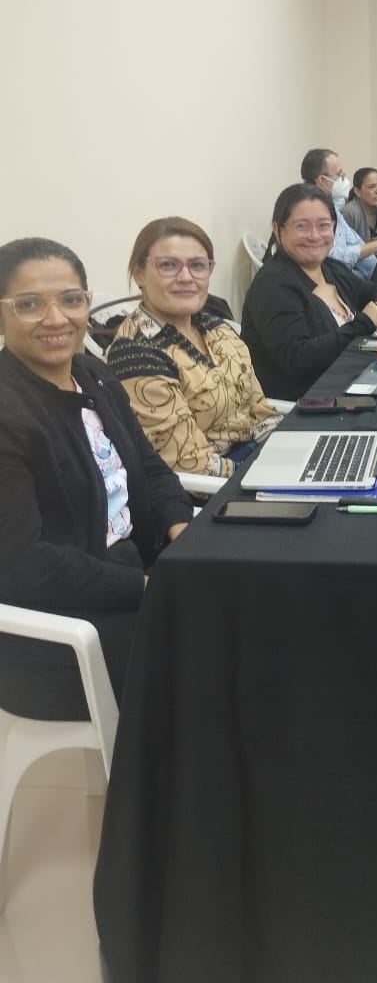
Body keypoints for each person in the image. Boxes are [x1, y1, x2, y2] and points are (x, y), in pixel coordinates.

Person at [0, 238, 192, 721]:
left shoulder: (93, 374)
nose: (56, 319)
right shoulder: (8, 411)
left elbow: (148, 466)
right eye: (29, 304)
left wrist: (182, 531)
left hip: (133, 572)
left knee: (250, 603)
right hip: (55, 630)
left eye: (71, 299)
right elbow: (23, 565)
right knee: (218, 650)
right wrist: (145, 586)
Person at [106, 218, 283, 479]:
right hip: (213, 486)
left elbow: (258, 410)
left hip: (255, 458)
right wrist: (268, 474)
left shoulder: (216, 328)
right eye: (168, 265)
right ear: (138, 273)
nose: (186, 277)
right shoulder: (136, 354)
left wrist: (287, 452)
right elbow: (189, 464)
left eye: (198, 265)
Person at [241, 184, 377, 399]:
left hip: (349, 381)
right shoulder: (273, 285)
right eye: (302, 226)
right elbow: (298, 358)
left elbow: (369, 289)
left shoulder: (328, 267)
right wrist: (363, 323)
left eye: (323, 225)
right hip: (309, 401)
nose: (314, 235)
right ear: (278, 230)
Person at [300, 149, 377, 277]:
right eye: (339, 175)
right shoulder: (308, 210)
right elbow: (332, 257)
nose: (344, 180)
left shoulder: (331, 206)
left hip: (341, 275)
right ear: (322, 180)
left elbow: (355, 242)